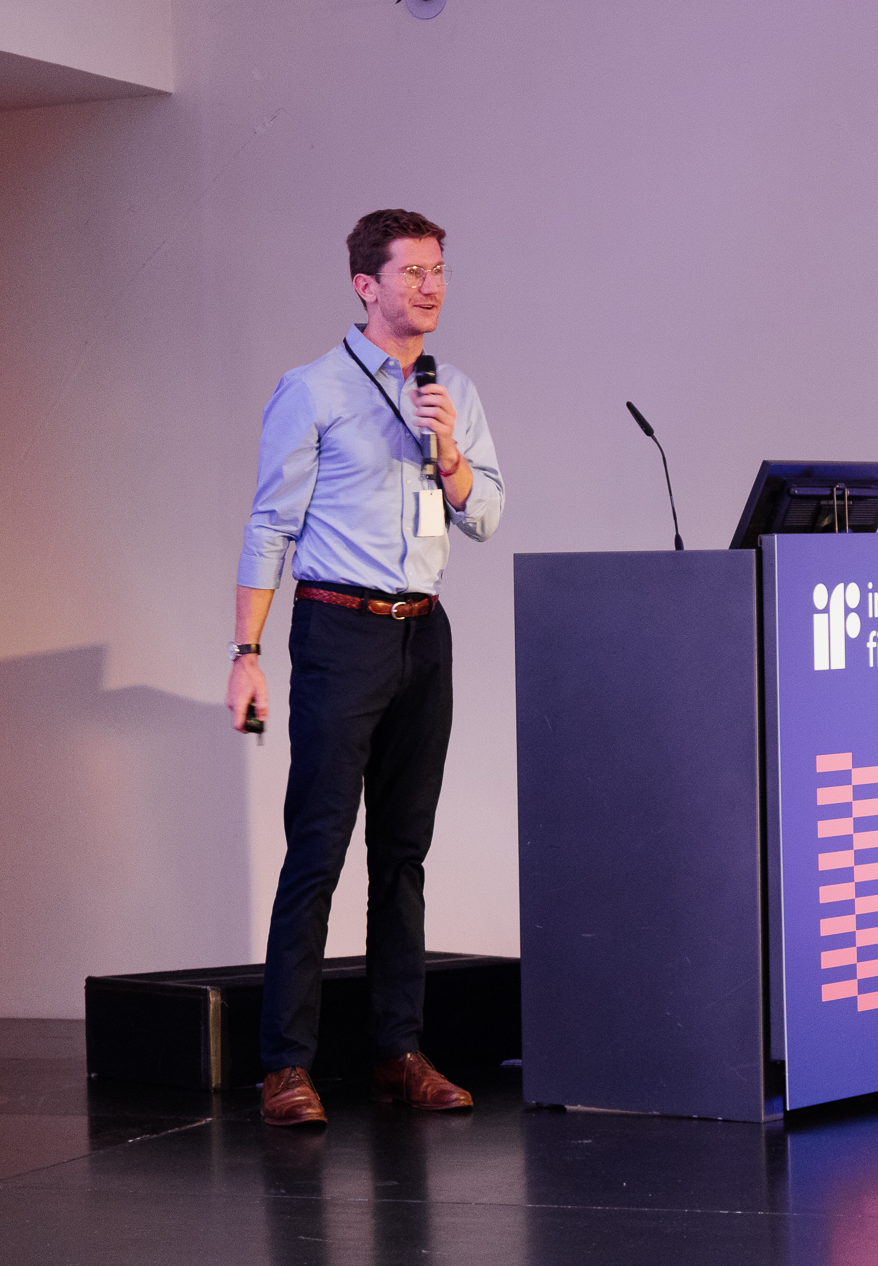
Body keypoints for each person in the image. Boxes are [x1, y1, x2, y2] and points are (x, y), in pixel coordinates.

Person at [228, 208, 505, 1128]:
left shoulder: (452, 389)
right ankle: (285, 1064)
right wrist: (245, 653)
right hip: (339, 628)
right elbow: (270, 525)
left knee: (403, 853)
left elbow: (485, 515)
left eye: (439, 270)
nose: (431, 286)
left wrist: (450, 452)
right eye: (412, 271)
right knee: (318, 846)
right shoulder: (311, 389)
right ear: (366, 285)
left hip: (423, 633)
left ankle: (398, 1052)